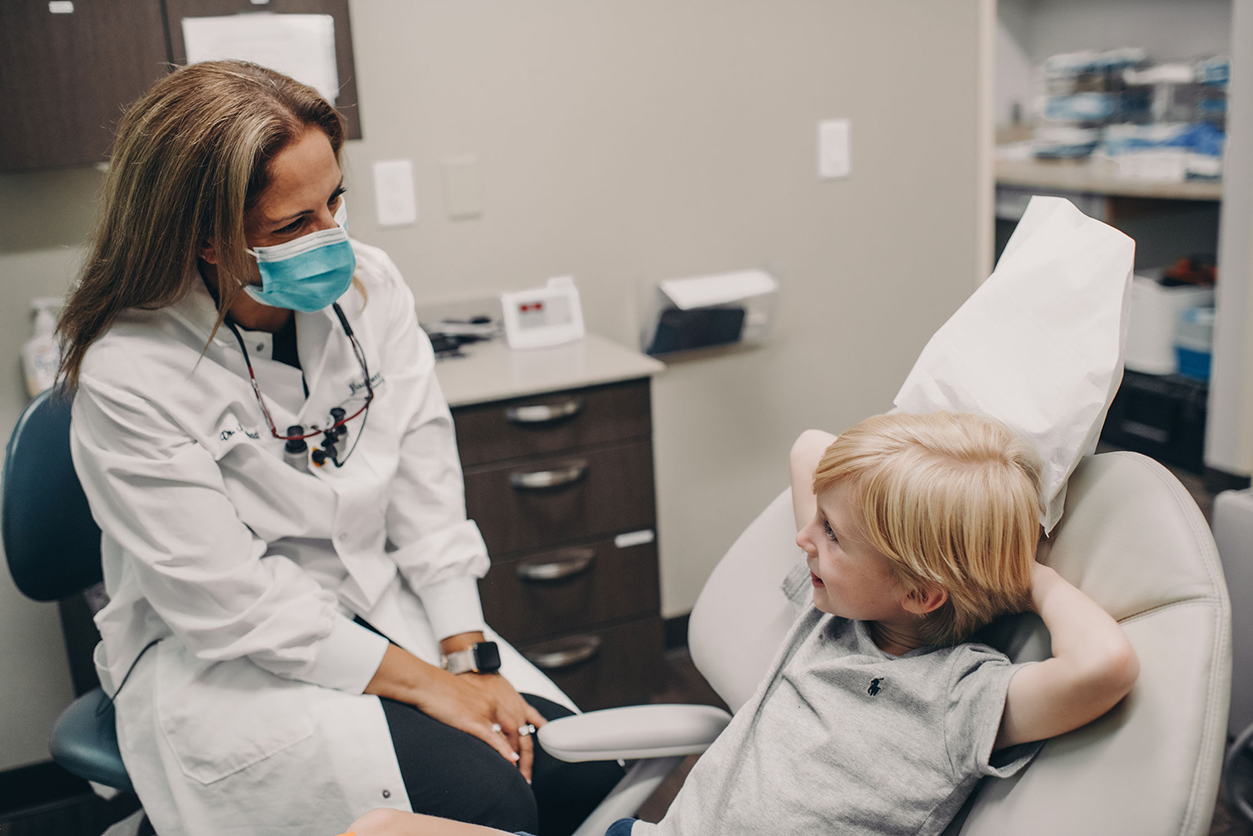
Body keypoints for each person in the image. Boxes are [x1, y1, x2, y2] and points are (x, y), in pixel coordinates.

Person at [60, 60, 620, 836]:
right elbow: (229, 601)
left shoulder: (372, 290)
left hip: (382, 607)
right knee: (490, 800)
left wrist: (465, 657)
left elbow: (425, 486)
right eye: (293, 225)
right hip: (227, 657)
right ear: (204, 240)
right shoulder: (131, 371)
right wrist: (428, 687)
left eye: (335, 203)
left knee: (577, 778)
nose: (332, 239)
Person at [331, 411, 1139, 836]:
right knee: (376, 830)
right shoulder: (831, 618)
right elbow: (809, 448)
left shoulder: (963, 698)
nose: (801, 540)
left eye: (830, 536)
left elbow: (1103, 666)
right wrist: (908, 485)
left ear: (923, 592)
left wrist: (1018, 571)